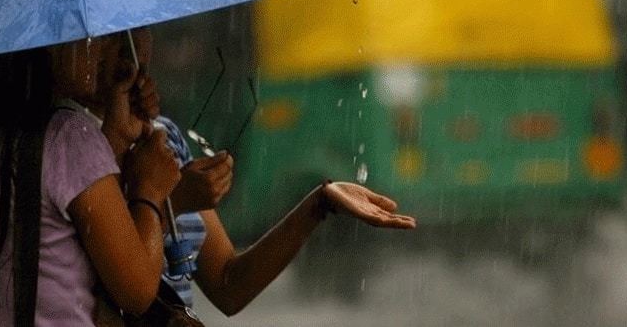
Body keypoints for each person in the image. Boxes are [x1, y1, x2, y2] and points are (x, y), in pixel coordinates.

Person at [124, 27, 416, 316]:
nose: (138, 48)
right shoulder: (86, 149)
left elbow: (229, 285)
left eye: (142, 33)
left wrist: (322, 201)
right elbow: (126, 291)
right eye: (118, 41)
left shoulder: (166, 139)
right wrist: (174, 202)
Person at [0, 34, 182, 327]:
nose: (116, 47)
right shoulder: (70, 136)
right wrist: (149, 192)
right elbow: (137, 292)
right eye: (90, 35)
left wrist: (117, 141)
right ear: (41, 44)